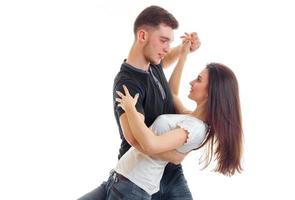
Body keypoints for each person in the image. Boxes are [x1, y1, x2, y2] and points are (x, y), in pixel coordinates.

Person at [78, 5, 200, 200]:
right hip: (136, 177)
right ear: (142, 36)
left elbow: (165, 60)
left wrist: (183, 49)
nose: (167, 48)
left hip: (170, 175)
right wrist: (176, 156)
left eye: (170, 42)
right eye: (163, 41)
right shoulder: (127, 84)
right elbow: (136, 140)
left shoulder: (153, 63)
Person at [105, 39, 243, 199]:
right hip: (125, 177)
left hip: (138, 183)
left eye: (198, 79)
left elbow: (150, 145)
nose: (191, 82)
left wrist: (130, 109)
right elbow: (172, 94)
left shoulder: (194, 127)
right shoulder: (189, 117)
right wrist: (183, 54)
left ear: (211, 92)